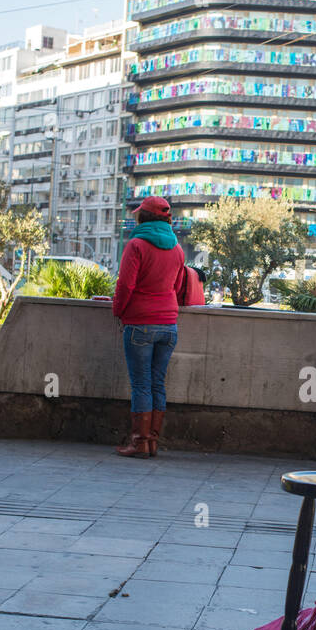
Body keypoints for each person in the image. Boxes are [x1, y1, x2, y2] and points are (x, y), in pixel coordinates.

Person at [111, 196, 186, 459]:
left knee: (141, 384)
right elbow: (176, 288)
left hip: (141, 323)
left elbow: (125, 285)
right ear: (166, 219)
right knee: (157, 384)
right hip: (169, 325)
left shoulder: (136, 245)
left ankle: (139, 442)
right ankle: (153, 442)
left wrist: (118, 310)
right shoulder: (177, 249)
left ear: (142, 217)